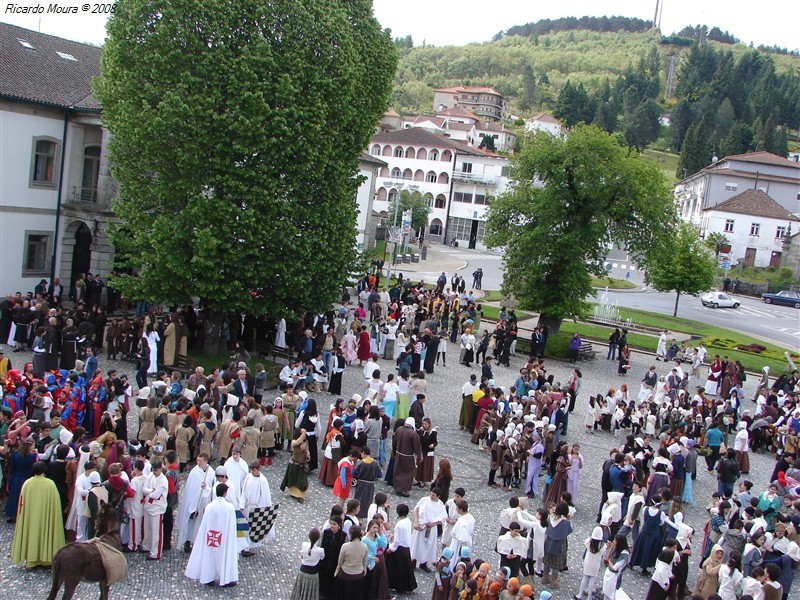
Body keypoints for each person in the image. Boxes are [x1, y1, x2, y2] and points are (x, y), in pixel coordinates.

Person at [11, 460, 66, 568]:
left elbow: (22, 503)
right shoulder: (50, 484)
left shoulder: (27, 484)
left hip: (31, 517)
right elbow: (55, 505)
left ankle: (32, 559)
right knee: (46, 530)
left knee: (32, 532)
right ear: (44, 470)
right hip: (46, 516)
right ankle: (46, 559)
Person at [184, 483, 239, 588]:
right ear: (225, 493)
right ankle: (226, 578)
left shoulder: (210, 506)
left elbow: (205, 524)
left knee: (210, 555)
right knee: (224, 556)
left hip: (211, 537)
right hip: (224, 537)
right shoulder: (229, 507)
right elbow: (231, 526)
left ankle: (209, 577)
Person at [177, 453, 216, 554]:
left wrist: (206, 488)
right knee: (191, 524)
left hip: (205, 502)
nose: (198, 463)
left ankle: (198, 544)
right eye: (197, 461)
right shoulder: (194, 472)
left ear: (206, 462)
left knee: (200, 525)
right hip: (193, 503)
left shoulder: (211, 472)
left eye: (200, 461)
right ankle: (187, 542)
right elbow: (190, 489)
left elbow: (213, 488)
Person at [240, 461, 275, 556]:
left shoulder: (262, 481)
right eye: (251, 470)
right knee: (245, 527)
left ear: (258, 469)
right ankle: (244, 547)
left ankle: (247, 547)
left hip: (256, 507)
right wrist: (242, 505)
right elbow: (244, 491)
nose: (252, 472)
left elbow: (265, 497)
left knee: (251, 528)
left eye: (254, 470)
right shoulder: (248, 477)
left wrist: (262, 510)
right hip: (248, 506)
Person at [410, 487, 447, 572]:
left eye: (433, 495)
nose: (431, 496)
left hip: (431, 528)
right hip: (421, 526)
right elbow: (416, 510)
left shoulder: (440, 505)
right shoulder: (424, 500)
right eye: (431, 494)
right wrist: (416, 522)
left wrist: (433, 523)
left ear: (438, 496)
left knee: (428, 546)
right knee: (417, 544)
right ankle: (413, 562)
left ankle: (423, 564)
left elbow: (442, 518)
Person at [386, 503, 417, 594]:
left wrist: (391, 548)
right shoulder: (407, 521)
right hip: (406, 547)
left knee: (398, 569)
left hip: (399, 549)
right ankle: (407, 586)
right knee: (406, 569)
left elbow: (397, 541)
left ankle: (397, 586)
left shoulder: (399, 524)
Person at [541, 501, 573, 589]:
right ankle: (554, 582)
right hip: (559, 544)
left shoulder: (550, 518)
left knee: (547, 561)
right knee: (556, 565)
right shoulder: (565, 522)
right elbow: (568, 531)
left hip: (549, 542)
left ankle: (545, 577)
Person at [333, 525, 368, 598]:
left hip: (345, 575)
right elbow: (364, 563)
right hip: (359, 575)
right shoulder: (364, 546)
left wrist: (336, 572)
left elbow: (340, 562)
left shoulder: (345, 546)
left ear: (350, 534)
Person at [291, 527, 325, 600]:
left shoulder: (304, 545)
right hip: (312, 573)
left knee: (299, 590)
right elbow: (322, 557)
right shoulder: (320, 550)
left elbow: (302, 556)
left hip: (302, 571)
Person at [392, 417, 422, 497]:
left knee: (398, 471)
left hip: (399, 454)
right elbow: (417, 446)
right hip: (408, 456)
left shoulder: (399, 429)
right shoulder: (413, 433)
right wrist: (419, 455)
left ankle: (397, 488)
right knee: (407, 473)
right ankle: (404, 490)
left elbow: (394, 442)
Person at [576, 526, 605, 600]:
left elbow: (586, 542)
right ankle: (589, 597)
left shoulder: (589, 542)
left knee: (585, 577)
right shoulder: (602, 545)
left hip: (588, 561)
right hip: (596, 563)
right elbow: (603, 552)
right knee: (592, 579)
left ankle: (579, 594)